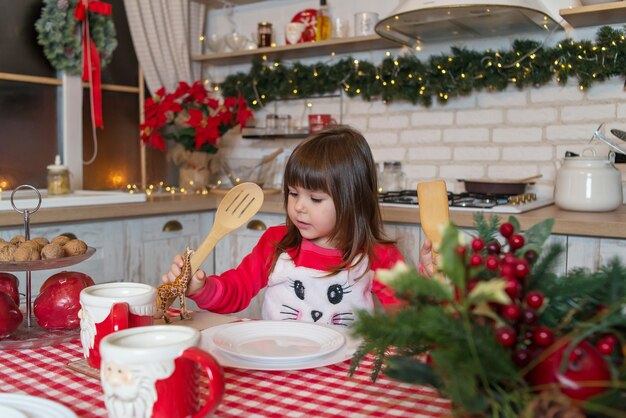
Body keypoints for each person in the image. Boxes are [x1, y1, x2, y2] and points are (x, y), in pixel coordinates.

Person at [161, 127, 405, 327]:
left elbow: (414, 315)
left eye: (315, 199)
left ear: (353, 200)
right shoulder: (276, 243)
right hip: (280, 361)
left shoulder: (379, 256)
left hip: (343, 372)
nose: (299, 206)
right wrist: (201, 288)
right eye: (293, 193)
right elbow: (236, 290)